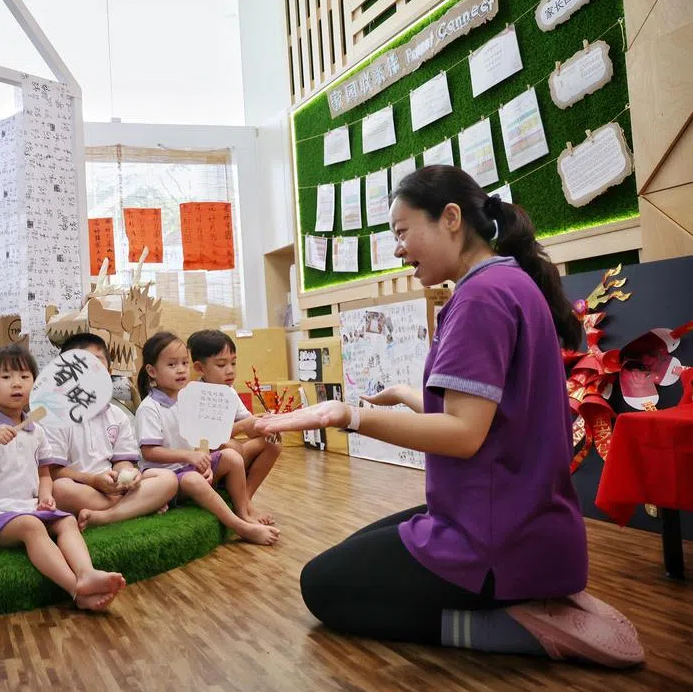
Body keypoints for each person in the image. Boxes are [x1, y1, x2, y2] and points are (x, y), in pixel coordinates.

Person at [257, 165, 643, 667]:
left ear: (452, 218)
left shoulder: (481, 297)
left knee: (323, 587)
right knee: (355, 550)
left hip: (492, 538)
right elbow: (494, 416)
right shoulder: (509, 282)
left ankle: (514, 621)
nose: (397, 249)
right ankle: (537, 592)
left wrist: (346, 416)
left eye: (401, 231)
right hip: (523, 523)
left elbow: (463, 434)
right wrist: (405, 395)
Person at [0, 345, 126, 611]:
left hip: (27, 507)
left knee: (67, 521)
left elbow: (44, 474)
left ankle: (87, 572)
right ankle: (75, 589)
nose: (17, 383)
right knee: (31, 527)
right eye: (6, 377)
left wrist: (46, 496)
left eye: (25, 377)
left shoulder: (36, 430)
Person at [136, 332, 280, 545]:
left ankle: (243, 510)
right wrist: (190, 457)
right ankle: (240, 527)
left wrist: (203, 459)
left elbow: (202, 438)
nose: (181, 369)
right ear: (152, 371)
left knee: (231, 456)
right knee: (195, 477)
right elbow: (149, 452)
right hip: (167, 477)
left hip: (189, 467)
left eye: (184, 363)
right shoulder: (149, 408)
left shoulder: (190, 398)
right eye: (172, 364)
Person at [47, 333, 178, 530]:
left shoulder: (117, 415)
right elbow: (53, 471)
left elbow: (122, 461)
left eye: (96, 364)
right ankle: (137, 507)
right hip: (80, 487)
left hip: (113, 488)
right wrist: (92, 481)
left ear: (108, 371)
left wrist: (126, 477)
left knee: (167, 479)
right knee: (59, 489)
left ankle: (106, 516)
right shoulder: (54, 415)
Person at [187, 329, 281, 522]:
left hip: (233, 456)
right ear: (199, 367)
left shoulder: (229, 392)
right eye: (221, 364)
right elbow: (204, 443)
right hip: (207, 464)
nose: (230, 370)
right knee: (229, 447)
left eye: (233, 363)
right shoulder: (195, 395)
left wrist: (266, 424)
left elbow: (248, 424)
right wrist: (242, 426)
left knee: (272, 442)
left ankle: (246, 499)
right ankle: (242, 509)